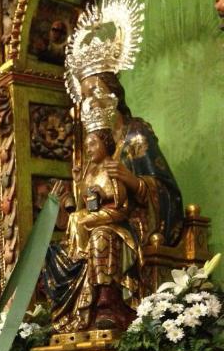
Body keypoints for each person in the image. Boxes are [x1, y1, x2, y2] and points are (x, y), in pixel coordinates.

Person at [43, 73, 183, 331]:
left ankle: (109, 305)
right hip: (99, 222)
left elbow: (167, 192)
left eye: (96, 91)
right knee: (56, 253)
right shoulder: (91, 152)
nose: (90, 101)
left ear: (115, 94)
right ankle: (72, 316)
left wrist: (132, 180)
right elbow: (87, 201)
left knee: (102, 236)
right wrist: (70, 203)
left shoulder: (136, 134)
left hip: (136, 224)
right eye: (84, 96)